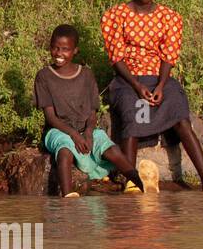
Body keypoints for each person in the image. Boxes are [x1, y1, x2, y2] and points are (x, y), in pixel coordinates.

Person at [100, 0, 203, 193]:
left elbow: (168, 55)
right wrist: (137, 86)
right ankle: (132, 180)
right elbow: (117, 58)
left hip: (159, 78)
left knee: (179, 113)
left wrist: (161, 85)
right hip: (129, 79)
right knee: (133, 113)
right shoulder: (116, 16)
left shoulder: (169, 17)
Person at [35, 24, 152, 198]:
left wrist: (89, 132)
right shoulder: (44, 76)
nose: (59, 53)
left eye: (65, 49)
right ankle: (68, 197)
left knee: (111, 150)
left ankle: (139, 182)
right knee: (65, 153)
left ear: (75, 51)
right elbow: (51, 117)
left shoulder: (86, 75)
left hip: (86, 128)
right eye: (55, 48)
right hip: (58, 130)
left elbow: (92, 110)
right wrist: (75, 135)